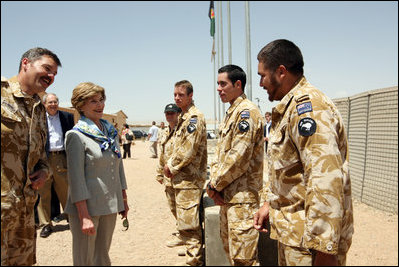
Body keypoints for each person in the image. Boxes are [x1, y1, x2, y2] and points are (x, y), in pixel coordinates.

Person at [253, 39, 354, 266]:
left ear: (281, 72)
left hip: (309, 245)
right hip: (294, 237)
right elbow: (292, 172)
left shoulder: (308, 108)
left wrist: (325, 250)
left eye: (262, 75)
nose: (260, 83)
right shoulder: (290, 108)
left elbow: (325, 178)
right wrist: (270, 204)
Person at [1, 47, 62, 265]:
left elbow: (40, 152)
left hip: (24, 213)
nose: (51, 77)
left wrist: (45, 170)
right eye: (47, 68)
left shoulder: (39, 107)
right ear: (26, 63)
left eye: (54, 74)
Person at [64, 82, 129, 266]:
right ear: (81, 105)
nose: (100, 105)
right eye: (93, 101)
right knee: (84, 260)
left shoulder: (109, 132)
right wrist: (84, 216)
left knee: (102, 258)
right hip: (86, 208)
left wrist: (123, 198)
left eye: (101, 100)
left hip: (109, 205)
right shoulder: (76, 135)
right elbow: (75, 179)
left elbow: (119, 166)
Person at [206, 64, 264, 266]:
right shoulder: (232, 112)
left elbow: (238, 158)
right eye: (218, 84)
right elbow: (220, 155)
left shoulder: (247, 112)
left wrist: (214, 185)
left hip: (243, 200)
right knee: (232, 255)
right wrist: (215, 184)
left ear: (238, 84)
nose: (218, 89)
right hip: (228, 197)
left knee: (244, 260)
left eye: (223, 84)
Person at [164, 80, 207, 266]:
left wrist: (171, 167)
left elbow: (188, 149)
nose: (177, 98)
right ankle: (194, 252)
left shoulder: (194, 118)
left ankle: (194, 261)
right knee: (184, 221)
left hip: (189, 180)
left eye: (181, 95)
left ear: (190, 96)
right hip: (179, 180)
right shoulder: (183, 117)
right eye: (175, 95)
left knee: (190, 225)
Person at [36, 93, 75, 238]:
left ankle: (72, 220)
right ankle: (46, 224)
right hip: (43, 159)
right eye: (50, 102)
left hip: (61, 158)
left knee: (65, 190)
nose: (53, 104)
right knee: (43, 193)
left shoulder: (67, 117)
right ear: (44, 104)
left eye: (55, 102)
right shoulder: (38, 117)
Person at [156, 103, 185, 249]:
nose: (169, 116)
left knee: (183, 208)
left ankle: (184, 234)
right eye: (167, 113)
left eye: (172, 113)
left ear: (178, 114)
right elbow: (161, 154)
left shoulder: (183, 131)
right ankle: (181, 231)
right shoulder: (164, 132)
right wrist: (159, 173)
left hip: (181, 177)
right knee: (173, 206)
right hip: (168, 178)